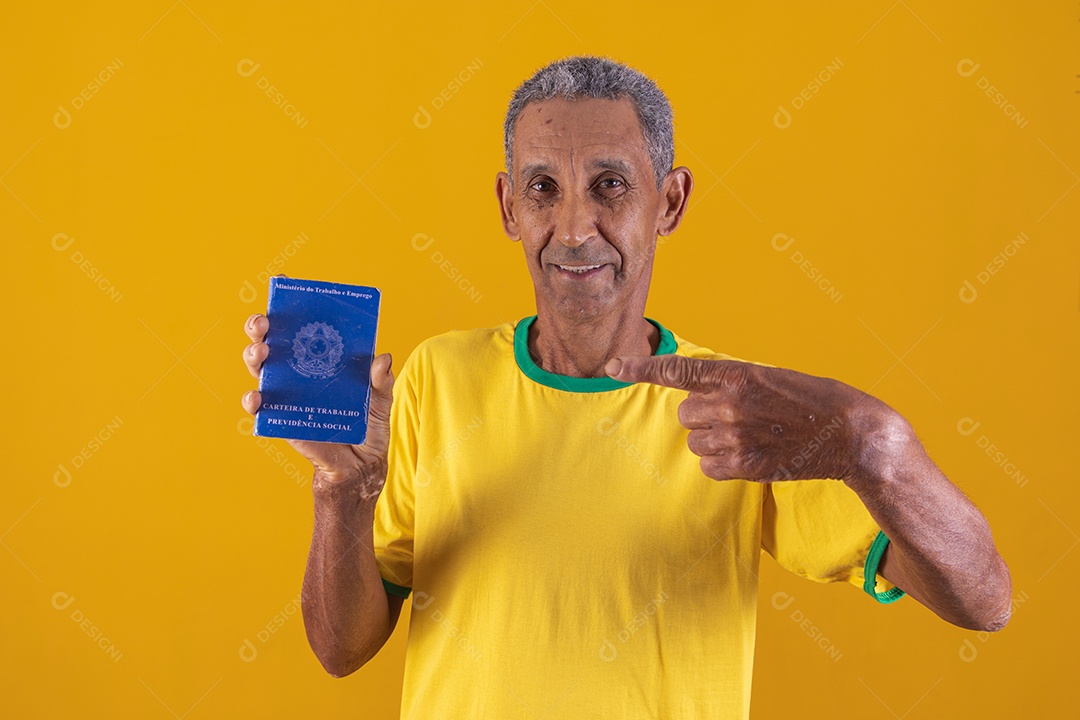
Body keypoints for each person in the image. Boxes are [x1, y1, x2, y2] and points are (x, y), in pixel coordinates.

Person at [241, 56, 1011, 719]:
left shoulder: (738, 411)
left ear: (669, 202)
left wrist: (874, 444)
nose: (575, 228)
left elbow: (983, 599)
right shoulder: (433, 378)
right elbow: (341, 650)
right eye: (543, 188)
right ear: (509, 207)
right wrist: (344, 491)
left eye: (609, 185)